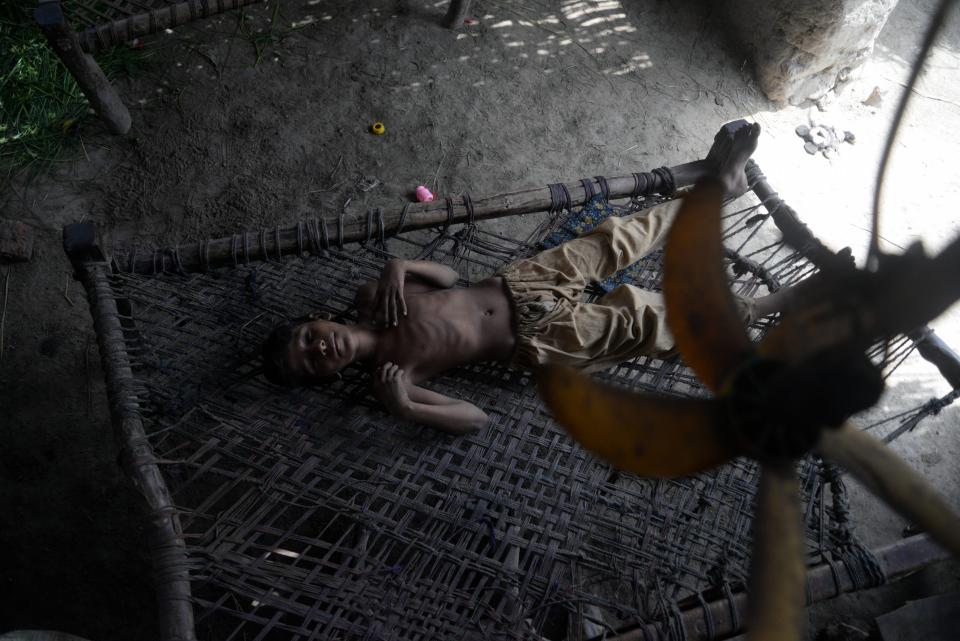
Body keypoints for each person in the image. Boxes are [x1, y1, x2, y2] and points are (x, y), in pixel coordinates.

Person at [262, 123, 788, 434]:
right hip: (538, 340)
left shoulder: (374, 298)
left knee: (614, 241)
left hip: (521, 284)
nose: (320, 348)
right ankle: (753, 311)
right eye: (312, 363)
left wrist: (402, 265)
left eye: (309, 338)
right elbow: (475, 418)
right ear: (327, 377)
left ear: (319, 318)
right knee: (643, 322)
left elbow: (449, 276)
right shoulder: (395, 376)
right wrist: (404, 407)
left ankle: (718, 187)